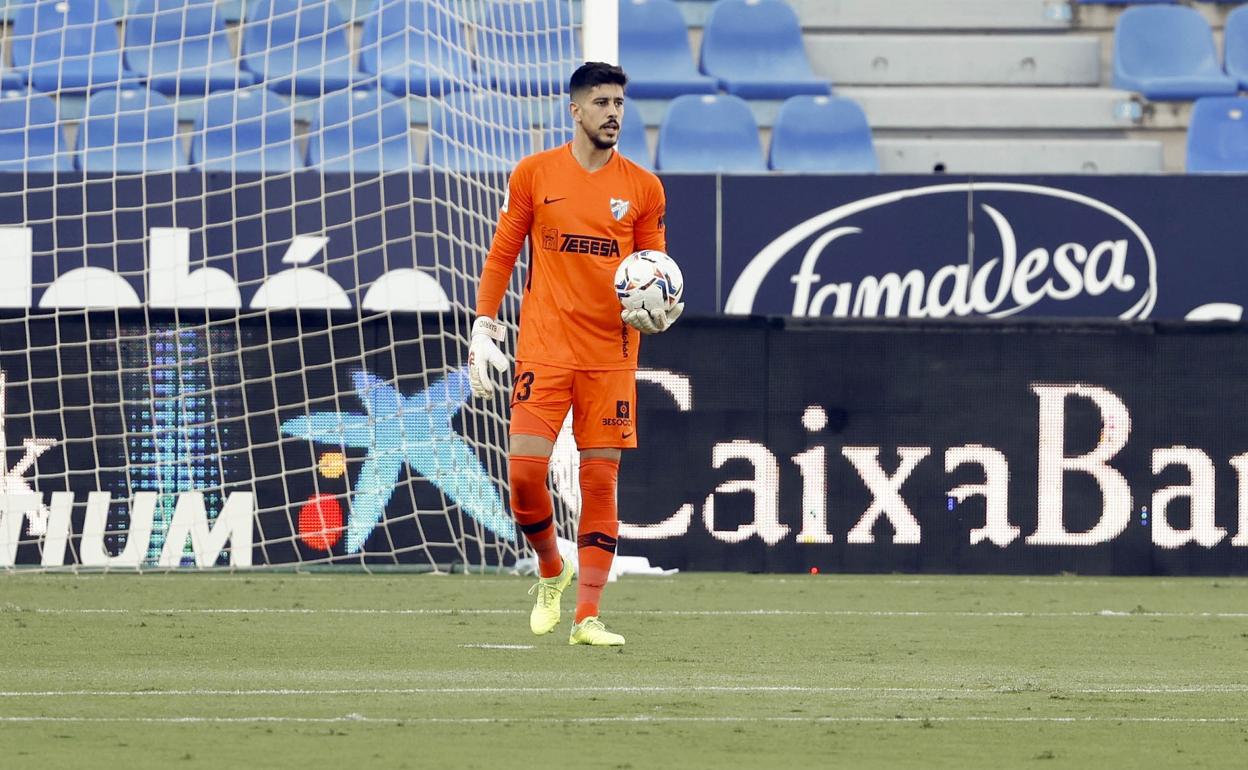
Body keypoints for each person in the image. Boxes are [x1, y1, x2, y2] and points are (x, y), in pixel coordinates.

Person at [467, 62, 682, 647]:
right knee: (524, 475)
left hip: (611, 354)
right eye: (603, 102)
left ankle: (587, 616)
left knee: (600, 484)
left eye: (620, 102)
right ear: (576, 110)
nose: (614, 112)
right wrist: (484, 325)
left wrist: (660, 308)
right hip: (545, 346)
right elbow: (502, 254)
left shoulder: (643, 188)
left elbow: (656, 271)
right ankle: (549, 569)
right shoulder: (536, 175)